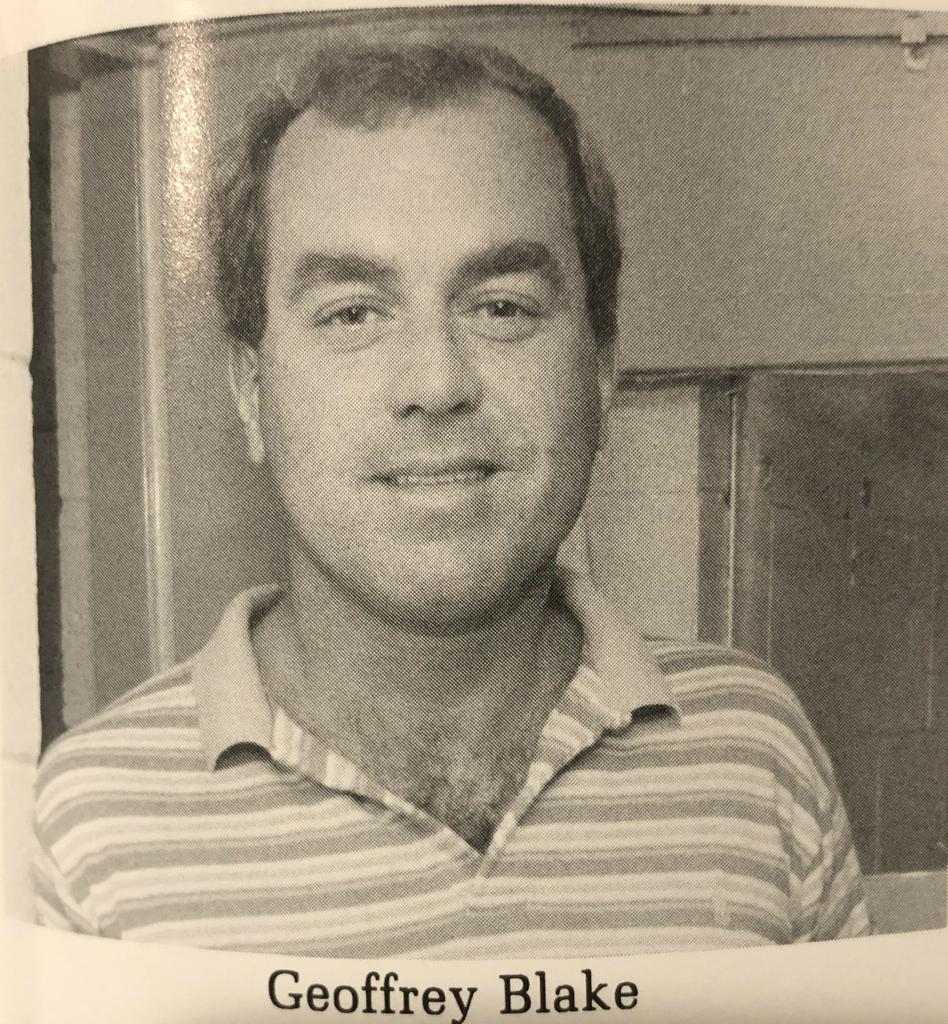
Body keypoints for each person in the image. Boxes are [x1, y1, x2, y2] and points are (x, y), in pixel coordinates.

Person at [32, 42, 870, 957]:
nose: (435, 383)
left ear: (599, 374)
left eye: (502, 306)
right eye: (353, 313)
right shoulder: (83, 832)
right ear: (251, 392)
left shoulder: (757, 753)